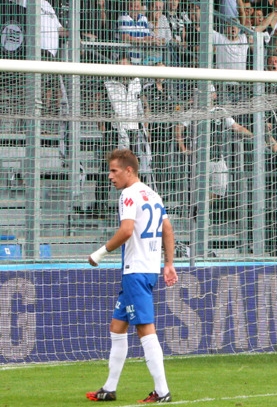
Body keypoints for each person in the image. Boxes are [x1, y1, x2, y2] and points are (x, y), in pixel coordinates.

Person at [85, 149, 177, 404]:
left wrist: (100, 254)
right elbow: (167, 228)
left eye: (114, 171)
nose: (109, 176)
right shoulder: (152, 194)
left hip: (136, 270)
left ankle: (162, 391)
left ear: (128, 170)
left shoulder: (128, 194)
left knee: (145, 328)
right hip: (146, 269)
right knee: (118, 326)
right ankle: (109, 388)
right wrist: (168, 263)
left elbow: (126, 231)